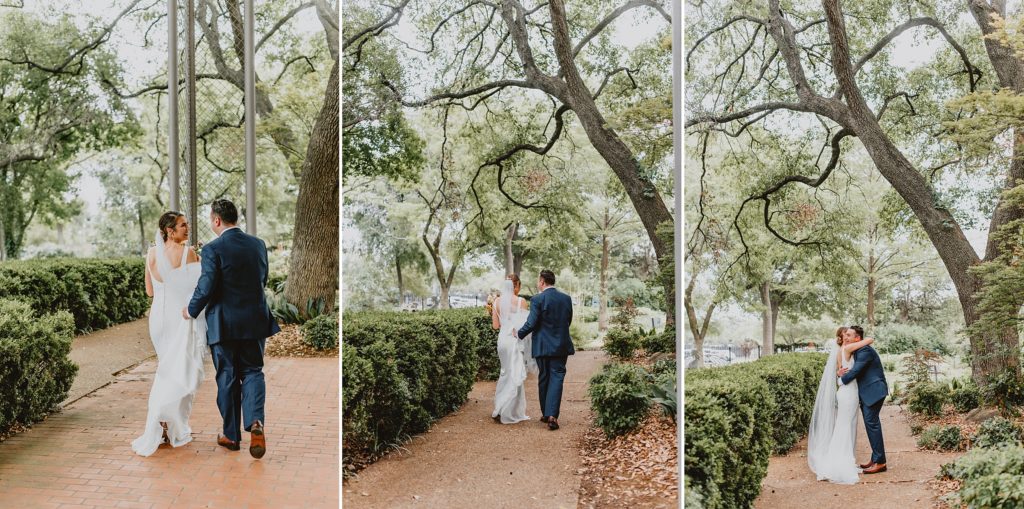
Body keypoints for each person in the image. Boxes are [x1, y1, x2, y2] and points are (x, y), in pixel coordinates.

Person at [184, 199, 280, 458]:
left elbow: (206, 286)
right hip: (255, 320)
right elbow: (262, 278)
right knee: (253, 371)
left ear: (216, 220)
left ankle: (231, 435)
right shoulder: (258, 245)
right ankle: (255, 422)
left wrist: (190, 310)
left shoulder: (213, 249)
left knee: (227, 376)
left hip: (224, 323)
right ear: (235, 218)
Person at [131, 212, 204, 457]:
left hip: (157, 320)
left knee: (165, 368)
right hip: (179, 318)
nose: (188, 228)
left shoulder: (151, 253)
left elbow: (149, 292)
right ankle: (169, 424)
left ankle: (161, 424)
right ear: (170, 231)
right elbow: (196, 290)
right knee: (180, 371)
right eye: (183, 225)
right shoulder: (189, 254)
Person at [514, 270, 574, 431]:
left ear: (542, 282)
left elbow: (531, 322)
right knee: (557, 377)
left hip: (542, 345)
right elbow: (568, 321)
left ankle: (547, 414)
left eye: (537, 281)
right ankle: (552, 415)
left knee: (544, 377)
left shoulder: (537, 299)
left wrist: (519, 333)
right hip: (561, 345)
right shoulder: (566, 299)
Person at [490, 274, 535, 424]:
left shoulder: (496, 301)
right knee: (515, 373)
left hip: (502, 341)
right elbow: (523, 326)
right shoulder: (521, 301)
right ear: (516, 285)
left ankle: (500, 407)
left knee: (505, 372)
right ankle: (511, 411)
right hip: (514, 341)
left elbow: (496, 326)